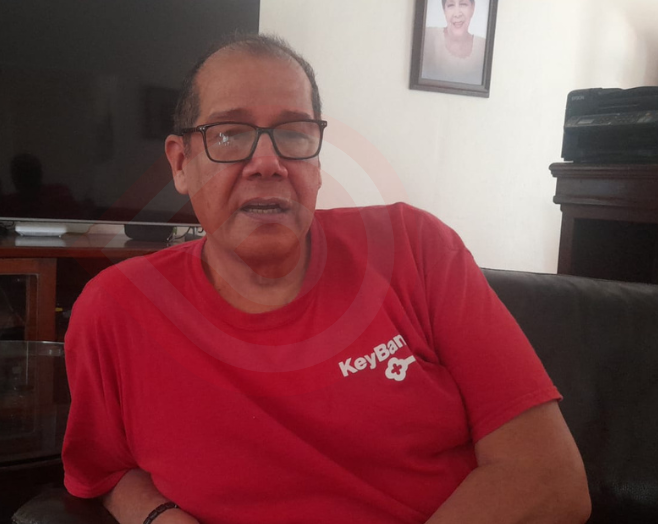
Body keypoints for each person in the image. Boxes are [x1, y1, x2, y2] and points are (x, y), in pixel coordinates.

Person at [62, 34, 590, 524]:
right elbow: (104, 471)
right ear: (181, 164)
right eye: (229, 134)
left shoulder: (417, 249)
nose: (266, 163)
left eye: (293, 133)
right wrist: (158, 517)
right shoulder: (115, 310)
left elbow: (550, 478)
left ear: (316, 162)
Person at [421, 0, 487, 85]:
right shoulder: (427, 37)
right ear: (444, 10)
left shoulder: (484, 48)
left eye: (463, 4)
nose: (457, 14)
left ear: (472, 8)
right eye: (451, 5)